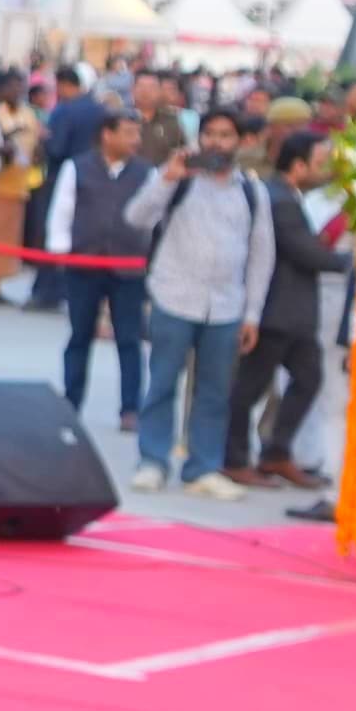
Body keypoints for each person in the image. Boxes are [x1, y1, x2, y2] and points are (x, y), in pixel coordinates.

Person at [123, 103, 274, 500]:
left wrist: (252, 314)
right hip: (175, 296)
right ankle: (152, 461)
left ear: (241, 142)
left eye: (226, 136)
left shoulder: (252, 191)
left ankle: (202, 468)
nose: (216, 142)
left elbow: (261, 256)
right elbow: (137, 217)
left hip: (226, 306)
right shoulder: (179, 180)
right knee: (162, 382)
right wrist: (166, 180)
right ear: (198, 138)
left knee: (214, 391)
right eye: (210, 134)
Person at [229, 122, 343, 487]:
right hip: (275, 313)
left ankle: (276, 454)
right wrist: (352, 263)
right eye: (321, 161)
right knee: (247, 391)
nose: (326, 169)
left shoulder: (289, 196)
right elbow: (307, 253)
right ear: (299, 165)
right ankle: (234, 460)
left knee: (308, 380)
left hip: (292, 315)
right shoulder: (278, 199)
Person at [36, 105, 153, 426]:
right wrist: (59, 248)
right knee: (79, 336)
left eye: (137, 133)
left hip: (128, 266)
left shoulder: (146, 172)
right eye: (128, 133)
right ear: (107, 134)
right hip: (84, 263)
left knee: (129, 339)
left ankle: (130, 408)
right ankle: (71, 401)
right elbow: (62, 209)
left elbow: (155, 218)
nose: (135, 140)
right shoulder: (78, 167)